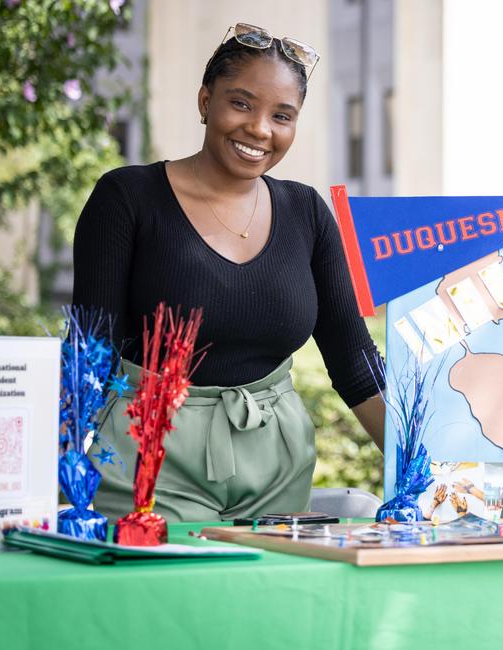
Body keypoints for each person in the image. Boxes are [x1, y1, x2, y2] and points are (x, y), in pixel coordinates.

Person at [73, 23, 386, 523]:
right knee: (168, 599)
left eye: (281, 116)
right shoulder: (127, 199)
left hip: (278, 464)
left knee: (266, 600)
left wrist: (430, 473)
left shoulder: (306, 212)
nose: (261, 129)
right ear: (204, 100)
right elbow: (89, 355)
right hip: (150, 458)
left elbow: (356, 362)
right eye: (241, 103)